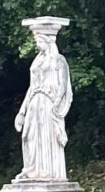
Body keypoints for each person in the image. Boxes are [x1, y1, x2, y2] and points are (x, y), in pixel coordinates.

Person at [14, 19, 73, 183]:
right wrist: (22, 112)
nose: (37, 44)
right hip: (34, 103)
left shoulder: (58, 60)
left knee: (46, 135)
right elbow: (31, 87)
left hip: (48, 103)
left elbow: (63, 86)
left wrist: (56, 105)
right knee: (29, 135)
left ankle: (47, 169)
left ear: (48, 41)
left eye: (39, 40)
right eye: (36, 40)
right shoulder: (37, 61)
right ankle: (31, 169)